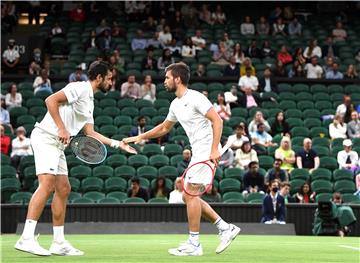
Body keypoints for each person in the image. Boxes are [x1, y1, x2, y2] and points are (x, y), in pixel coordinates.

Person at [15, 61, 136, 256]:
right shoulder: (79, 88)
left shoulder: (90, 101)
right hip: (46, 137)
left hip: (58, 145)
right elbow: (50, 101)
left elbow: (91, 133)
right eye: (109, 78)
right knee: (46, 185)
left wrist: (117, 144)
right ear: (99, 78)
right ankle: (26, 238)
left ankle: (58, 242)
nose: (111, 82)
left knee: (63, 188)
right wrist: (62, 127)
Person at [123, 62, 240, 256]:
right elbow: (163, 128)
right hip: (198, 151)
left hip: (206, 150)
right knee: (188, 195)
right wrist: (139, 137)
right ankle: (225, 228)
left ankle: (195, 243)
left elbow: (217, 120)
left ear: (178, 79)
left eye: (168, 77)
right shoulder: (175, 104)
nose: (165, 81)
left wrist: (214, 150)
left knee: (190, 193)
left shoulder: (196, 98)